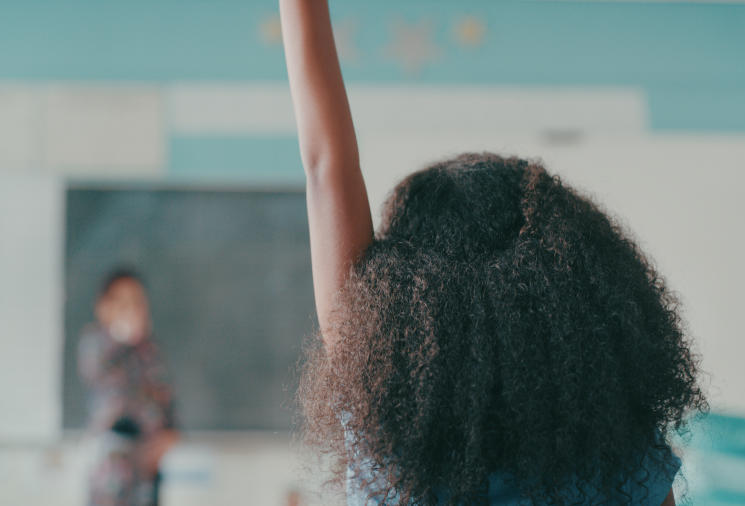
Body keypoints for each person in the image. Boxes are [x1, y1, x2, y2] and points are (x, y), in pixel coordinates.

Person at [280, 1, 706, 504]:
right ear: (577, 288)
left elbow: (326, 166)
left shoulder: (387, 433)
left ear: (397, 300)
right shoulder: (625, 457)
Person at [78, 268, 178, 506]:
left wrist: (171, 432)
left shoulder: (150, 351)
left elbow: (164, 394)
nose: (131, 310)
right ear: (104, 307)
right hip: (111, 469)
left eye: (137, 302)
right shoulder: (95, 343)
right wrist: (122, 336)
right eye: (122, 303)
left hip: (147, 468)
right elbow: (106, 381)